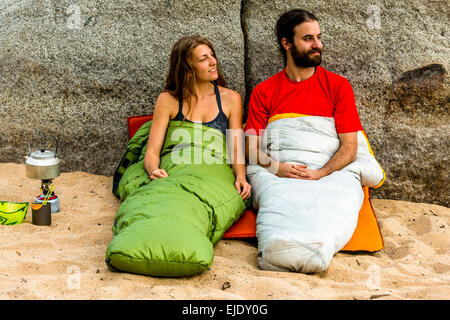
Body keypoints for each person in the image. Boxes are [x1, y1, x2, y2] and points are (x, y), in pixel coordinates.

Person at [245, 9, 362, 178]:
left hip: (326, 174)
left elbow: (349, 148)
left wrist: (320, 173)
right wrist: (278, 168)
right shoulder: (263, 92)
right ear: (287, 44)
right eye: (308, 39)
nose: (318, 45)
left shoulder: (338, 86)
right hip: (280, 172)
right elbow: (251, 149)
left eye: (318, 37)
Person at [144, 35, 251, 200]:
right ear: (187, 68)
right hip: (177, 169)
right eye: (203, 59)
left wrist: (241, 177)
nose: (213, 62)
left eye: (212, 55)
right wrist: (153, 170)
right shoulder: (167, 100)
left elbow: (236, 148)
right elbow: (152, 151)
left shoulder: (231, 99)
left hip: (213, 171)